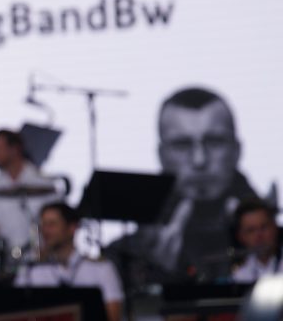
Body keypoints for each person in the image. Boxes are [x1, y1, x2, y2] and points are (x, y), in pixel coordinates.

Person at [105, 87, 258, 285]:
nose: (199, 160)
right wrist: (152, 267)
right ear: (161, 154)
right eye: (182, 145)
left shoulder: (273, 240)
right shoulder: (125, 252)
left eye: (214, 142)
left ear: (236, 150)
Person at [15, 202, 124, 321]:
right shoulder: (31, 272)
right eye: (43, 225)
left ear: (72, 228)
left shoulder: (101, 269)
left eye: (52, 224)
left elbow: (112, 316)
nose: (45, 231)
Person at [0, 129, 60, 253]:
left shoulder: (45, 184)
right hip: (3, 263)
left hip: (42, 260)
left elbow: (59, 225)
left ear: (15, 149)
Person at [232, 199, 281, 282]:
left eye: (264, 227)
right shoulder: (240, 277)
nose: (259, 235)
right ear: (241, 236)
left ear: (275, 227)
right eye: (251, 230)